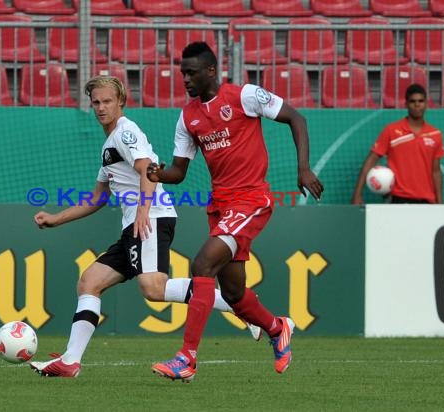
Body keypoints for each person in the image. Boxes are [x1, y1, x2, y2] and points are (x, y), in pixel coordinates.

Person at [28, 75, 261, 378]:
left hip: (151, 217)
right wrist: (55, 219)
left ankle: (244, 310)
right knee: (90, 281)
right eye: (96, 102)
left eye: (107, 101)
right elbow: (96, 198)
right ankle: (71, 361)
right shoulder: (109, 145)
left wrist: (143, 212)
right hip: (136, 223)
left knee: (153, 288)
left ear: (121, 102)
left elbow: (146, 170)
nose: (101, 107)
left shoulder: (126, 134)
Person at [148, 42, 324, 382]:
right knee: (233, 293)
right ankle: (277, 327)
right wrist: (158, 174)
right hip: (220, 206)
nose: (184, 78)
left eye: (191, 72)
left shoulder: (244, 96)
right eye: (182, 72)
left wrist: (303, 168)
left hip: (251, 199)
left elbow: (295, 117)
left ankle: (187, 357)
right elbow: (179, 171)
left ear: (211, 70)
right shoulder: (188, 117)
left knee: (202, 265)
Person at [351, 83, 444, 204]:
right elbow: (370, 161)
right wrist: (357, 194)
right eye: (413, 101)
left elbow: (435, 171)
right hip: (398, 199)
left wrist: (440, 203)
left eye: (421, 101)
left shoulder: (435, 134)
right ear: (406, 104)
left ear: (426, 104)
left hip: (426, 201)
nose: (417, 105)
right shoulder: (391, 130)